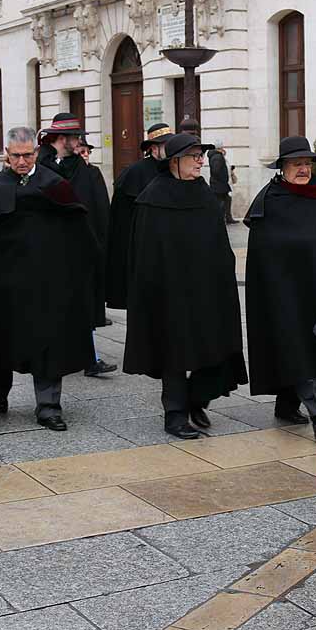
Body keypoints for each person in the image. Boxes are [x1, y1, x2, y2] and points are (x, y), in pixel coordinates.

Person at [0, 127, 103, 431]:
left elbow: (78, 232)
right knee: (0, 344)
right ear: (6, 153)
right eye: (16, 155)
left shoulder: (55, 185)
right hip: (1, 286)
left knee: (48, 345)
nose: (21, 160)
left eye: (27, 155)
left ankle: (48, 406)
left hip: (47, 285)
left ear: (36, 152)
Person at [122, 133, 247, 439]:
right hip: (168, 291)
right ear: (174, 161)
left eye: (201, 155)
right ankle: (175, 414)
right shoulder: (153, 198)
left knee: (212, 344)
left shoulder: (204, 195)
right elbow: (144, 252)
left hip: (206, 288)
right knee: (173, 351)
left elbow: (217, 241)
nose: (201, 161)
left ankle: (197, 401)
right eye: (194, 156)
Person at [244, 137, 316, 439]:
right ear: (283, 168)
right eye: (296, 164)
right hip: (284, 290)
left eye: (307, 163)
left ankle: (286, 403)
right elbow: (264, 251)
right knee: (294, 344)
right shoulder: (270, 201)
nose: (303, 169)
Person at [39, 113, 115, 376]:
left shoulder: (84, 170)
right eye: (75, 137)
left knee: (83, 304)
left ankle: (89, 359)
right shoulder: (41, 167)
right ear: (63, 139)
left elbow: (98, 209)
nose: (79, 142)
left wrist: (100, 244)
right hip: (50, 253)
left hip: (81, 250)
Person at [105, 123, 172, 311]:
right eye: (164, 145)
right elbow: (121, 223)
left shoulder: (173, 170)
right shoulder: (134, 173)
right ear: (153, 148)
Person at [208, 143, 236, 224]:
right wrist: (222, 179)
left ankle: (227, 218)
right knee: (221, 203)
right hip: (220, 184)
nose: (224, 149)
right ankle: (220, 219)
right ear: (219, 148)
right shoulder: (218, 157)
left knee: (227, 200)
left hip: (220, 184)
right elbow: (216, 170)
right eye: (222, 148)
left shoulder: (217, 156)